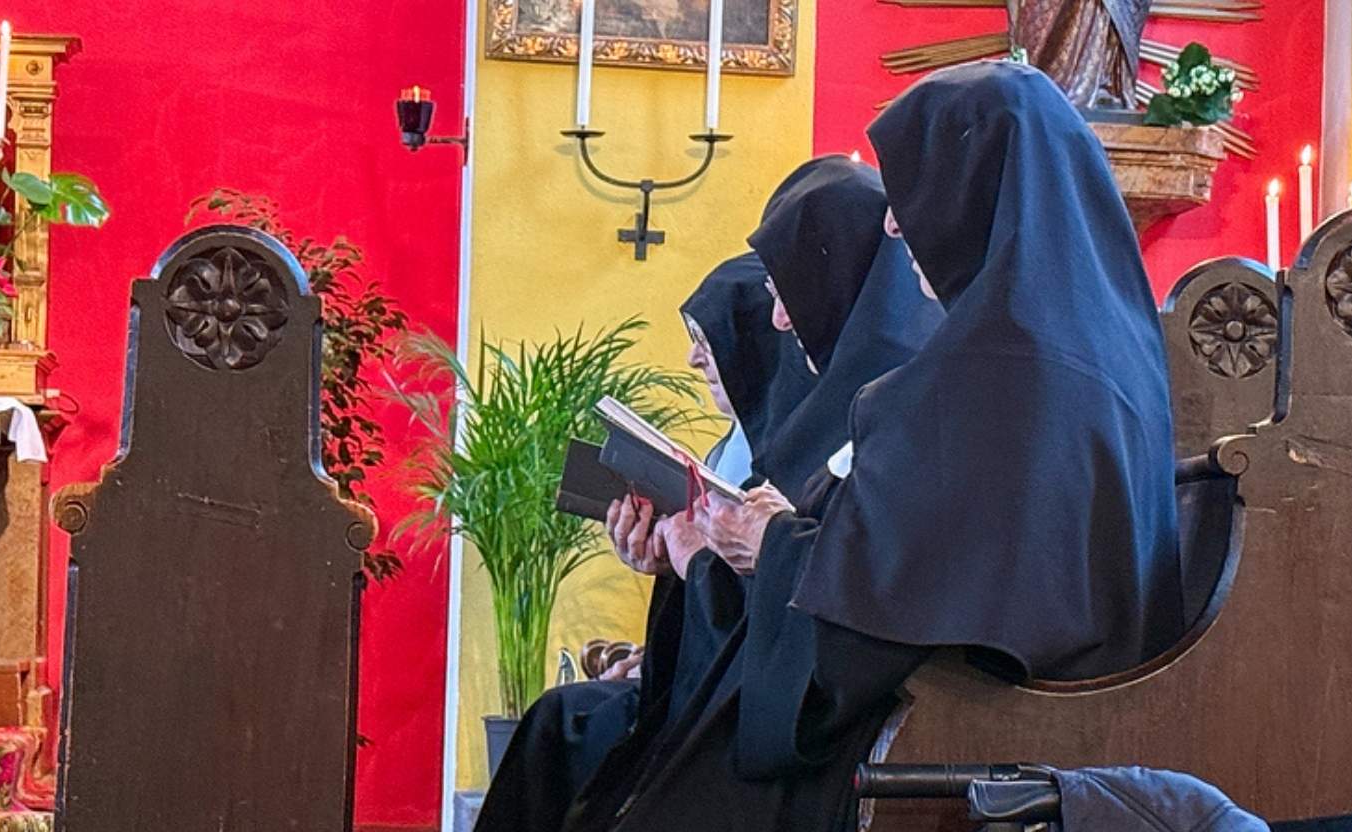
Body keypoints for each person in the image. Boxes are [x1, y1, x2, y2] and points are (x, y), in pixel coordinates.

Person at [567, 60, 1185, 831]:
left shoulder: (991, 373)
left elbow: (849, 655)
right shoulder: (1101, 340)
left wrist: (768, 541)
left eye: (911, 195)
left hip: (971, 745)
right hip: (1077, 729)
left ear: (972, 189)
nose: (894, 226)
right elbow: (938, 571)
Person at [473, 251, 814, 832]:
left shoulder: (798, 448)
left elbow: (781, 601)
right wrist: (663, 571)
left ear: (750, 342)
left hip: (748, 708)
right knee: (558, 723)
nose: (694, 359)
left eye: (709, 340)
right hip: (700, 683)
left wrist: (693, 563)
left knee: (569, 731)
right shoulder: (723, 448)